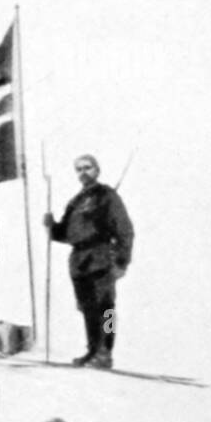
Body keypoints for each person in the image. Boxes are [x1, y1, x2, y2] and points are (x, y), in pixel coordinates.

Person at [43, 153, 134, 369]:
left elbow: (125, 230)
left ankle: (106, 352)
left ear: (97, 170)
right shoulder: (75, 202)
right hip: (79, 260)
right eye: (79, 169)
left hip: (101, 256)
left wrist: (122, 261)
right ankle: (92, 350)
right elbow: (66, 234)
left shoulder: (107, 196)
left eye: (88, 167)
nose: (84, 172)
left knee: (107, 309)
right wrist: (51, 226)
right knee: (87, 308)